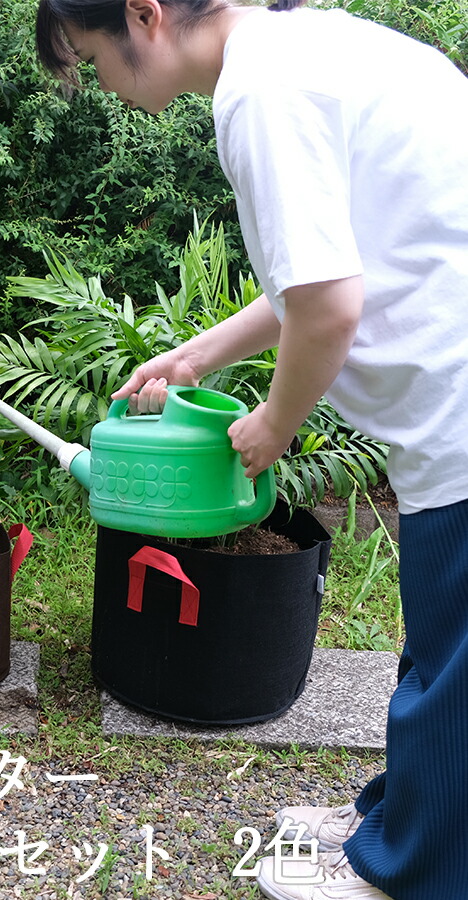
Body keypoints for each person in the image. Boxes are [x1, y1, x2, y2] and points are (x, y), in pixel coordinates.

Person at [35, 1, 468, 898]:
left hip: (460, 406)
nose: (106, 90)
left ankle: (407, 871)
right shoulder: (308, 49)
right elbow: (320, 274)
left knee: (456, 667)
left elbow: (330, 306)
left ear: (143, 15)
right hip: (449, 403)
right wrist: (198, 355)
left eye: (90, 58)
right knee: (437, 639)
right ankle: (397, 817)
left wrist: (274, 424)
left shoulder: (263, 91)